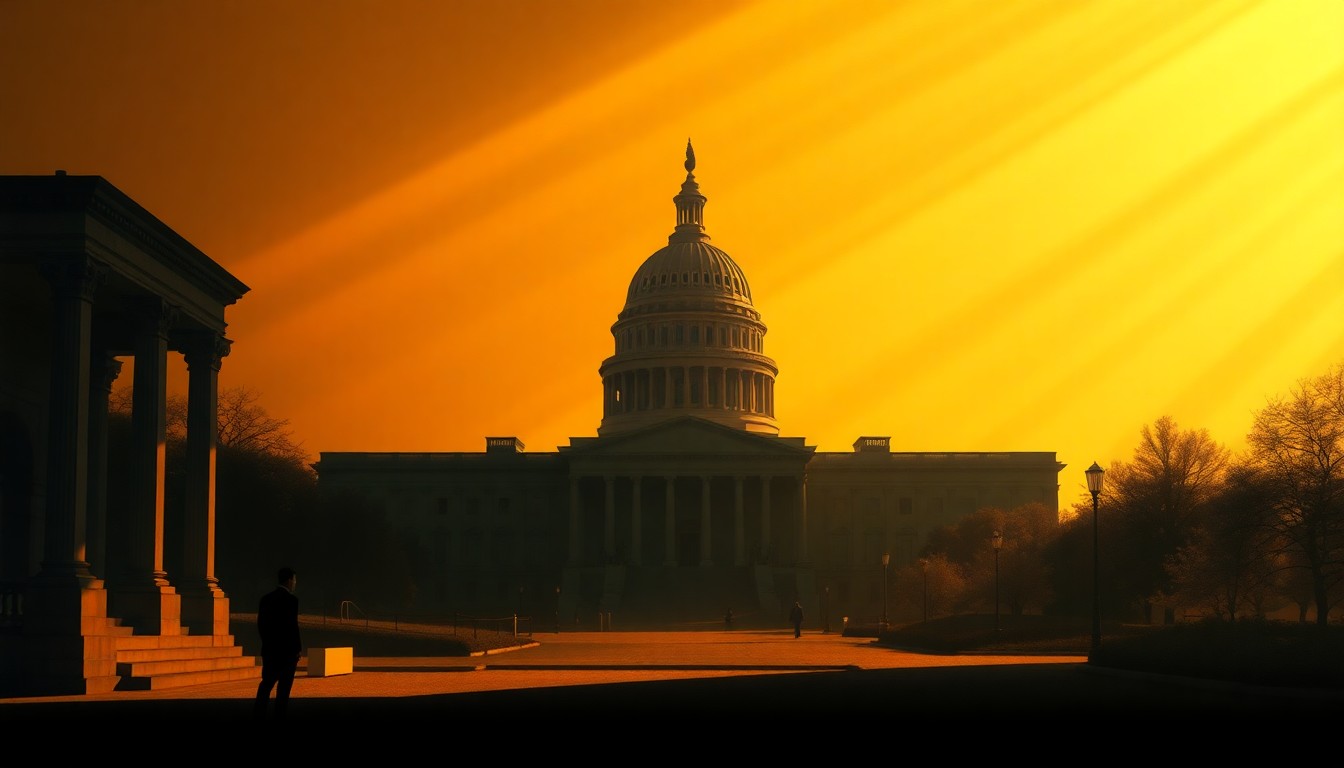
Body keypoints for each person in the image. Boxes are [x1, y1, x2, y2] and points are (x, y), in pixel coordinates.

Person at [254, 566, 301, 720]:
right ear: (289, 581)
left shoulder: (265, 599)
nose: (295, 583)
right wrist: (297, 649)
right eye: (294, 580)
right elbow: (292, 627)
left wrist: (268, 644)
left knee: (266, 684)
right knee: (283, 690)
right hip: (287, 653)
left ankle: (259, 713)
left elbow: (261, 625)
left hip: (270, 651)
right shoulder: (291, 601)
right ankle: (279, 716)